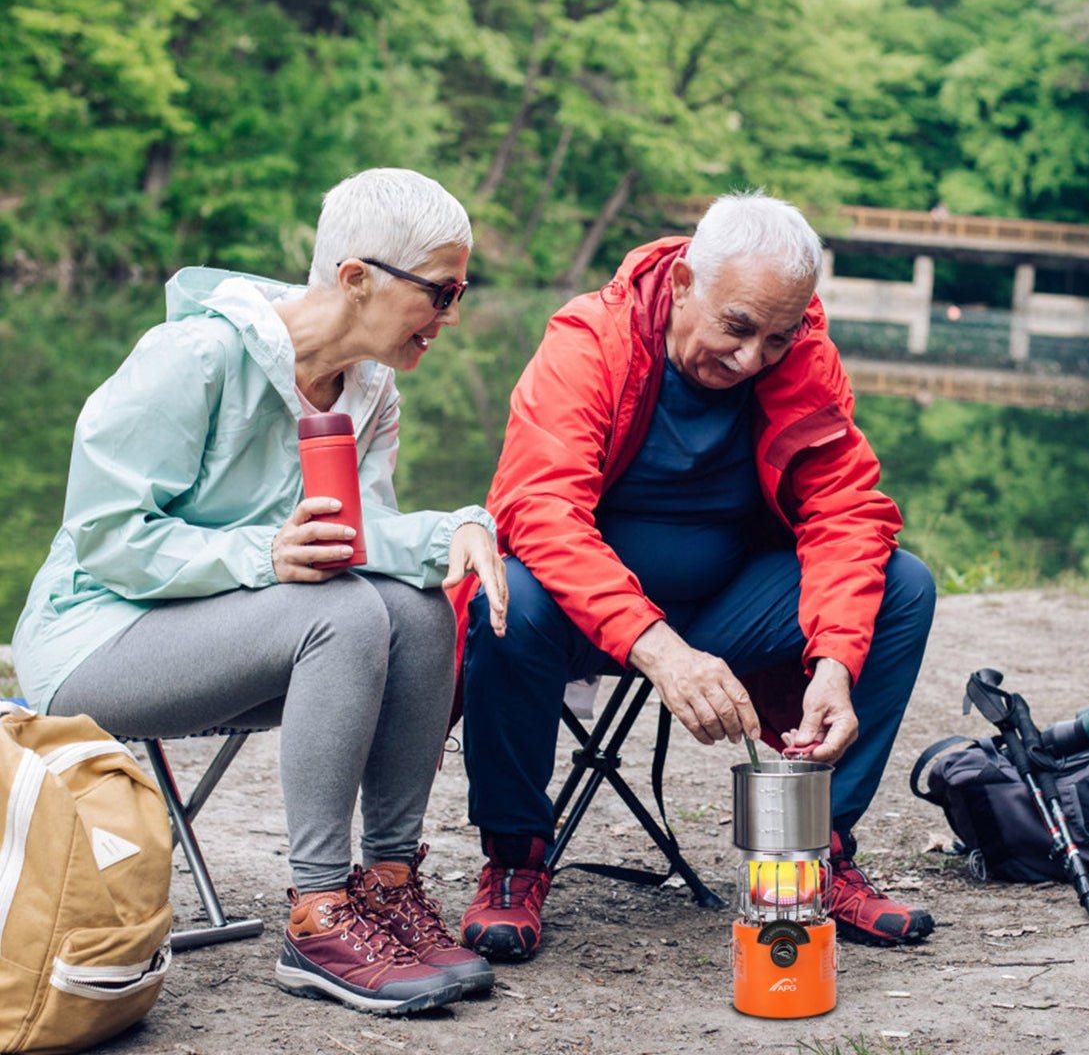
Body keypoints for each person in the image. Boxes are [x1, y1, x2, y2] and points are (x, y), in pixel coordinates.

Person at [12, 168, 509, 1016]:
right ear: (357, 278)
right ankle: (317, 915)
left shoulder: (371, 389)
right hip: (95, 638)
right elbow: (107, 538)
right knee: (343, 609)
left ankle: (386, 886)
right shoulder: (193, 358)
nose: (453, 315)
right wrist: (263, 553)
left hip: (240, 634)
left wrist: (451, 530)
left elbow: (358, 536)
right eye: (443, 290)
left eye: (463, 291)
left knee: (418, 604)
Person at [455, 191, 936, 961]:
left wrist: (836, 663)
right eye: (737, 328)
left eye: (777, 339)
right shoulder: (592, 338)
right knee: (509, 595)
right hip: (586, 621)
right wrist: (659, 649)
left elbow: (846, 511)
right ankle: (514, 859)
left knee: (902, 586)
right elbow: (539, 509)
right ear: (682, 284)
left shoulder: (804, 355)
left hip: (727, 608)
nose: (752, 360)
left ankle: (816, 852)